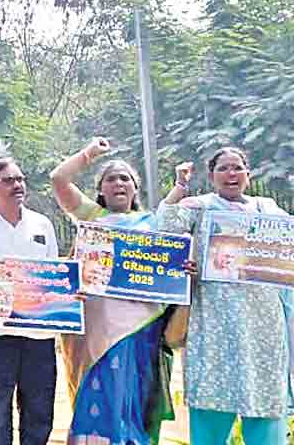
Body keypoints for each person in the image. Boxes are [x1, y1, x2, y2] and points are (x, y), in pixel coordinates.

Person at [52, 137, 183, 445]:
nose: (118, 183)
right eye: (111, 178)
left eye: (125, 178)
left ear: (135, 188)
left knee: (136, 392)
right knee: (98, 389)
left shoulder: (153, 224)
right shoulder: (92, 217)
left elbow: (173, 262)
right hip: (98, 324)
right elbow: (58, 179)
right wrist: (89, 153)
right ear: (101, 189)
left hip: (141, 325)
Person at [157, 146, 293, 445]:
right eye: (223, 168)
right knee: (211, 401)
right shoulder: (200, 206)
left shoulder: (269, 210)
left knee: (265, 402)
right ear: (212, 175)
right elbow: (163, 228)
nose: (231, 174)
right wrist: (179, 188)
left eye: (237, 167)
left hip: (264, 326)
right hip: (214, 321)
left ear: (248, 173)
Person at [0, 157, 60, 445]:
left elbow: (55, 274)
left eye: (20, 179)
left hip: (38, 333)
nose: (18, 185)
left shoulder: (42, 224)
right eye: (8, 180)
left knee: (40, 409)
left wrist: (67, 293)